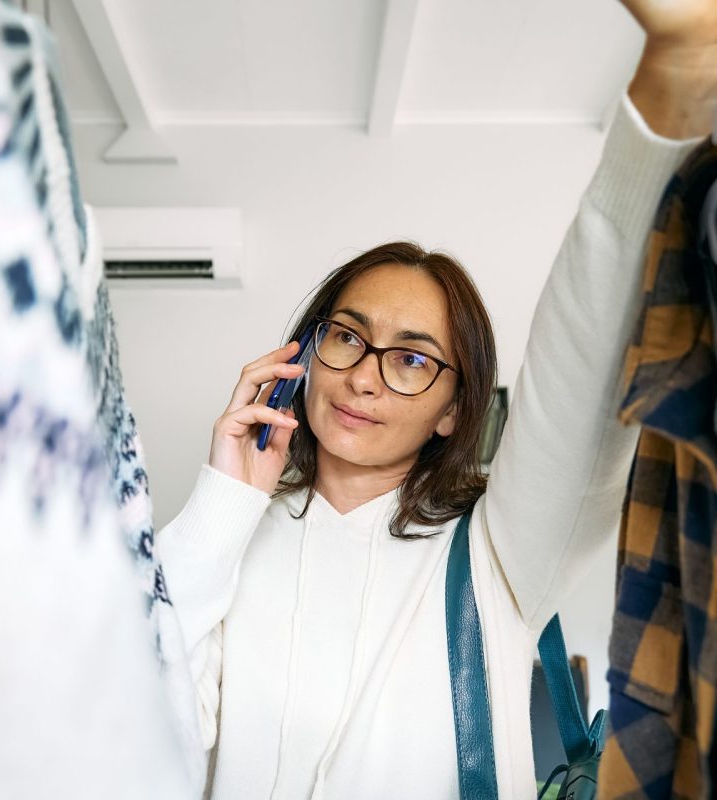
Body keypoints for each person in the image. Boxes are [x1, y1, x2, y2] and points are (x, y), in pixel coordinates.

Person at [158, 1, 717, 797]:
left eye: (413, 360)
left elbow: (579, 363)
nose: (365, 374)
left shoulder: (497, 551)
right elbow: (132, 718)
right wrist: (223, 500)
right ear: (304, 355)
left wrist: (668, 93)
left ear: (456, 409)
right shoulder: (235, 540)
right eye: (347, 336)